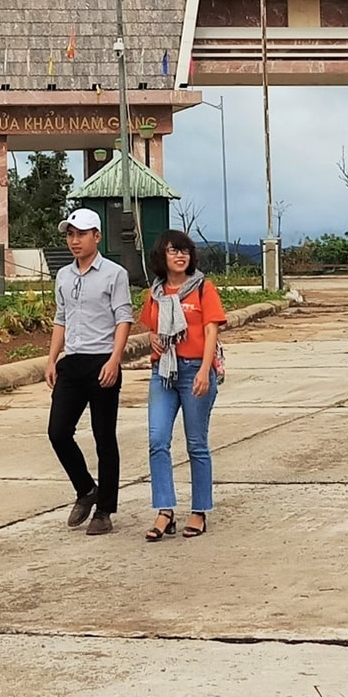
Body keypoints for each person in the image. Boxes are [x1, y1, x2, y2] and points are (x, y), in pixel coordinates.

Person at [46, 207, 133, 536]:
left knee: (104, 437)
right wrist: (52, 359)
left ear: (96, 236)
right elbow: (61, 318)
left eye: (81, 234)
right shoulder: (64, 276)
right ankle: (85, 488)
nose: (74, 240)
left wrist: (115, 360)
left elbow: (123, 318)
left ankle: (104, 510)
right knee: (58, 432)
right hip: (72, 362)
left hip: (101, 362)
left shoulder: (114, 274)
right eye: (70, 234)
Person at [138, 229, 226, 541]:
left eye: (185, 250)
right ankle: (165, 510)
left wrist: (204, 371)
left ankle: (199, 510)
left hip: (194, 372)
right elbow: (150, 326)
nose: (180, 255)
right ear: (162, 257)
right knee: (157, 440)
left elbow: (212, 331)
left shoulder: (202, 288)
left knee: (196, 444)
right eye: (173, 250)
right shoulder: (156, 292)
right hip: (163, 372)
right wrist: (153, 338)